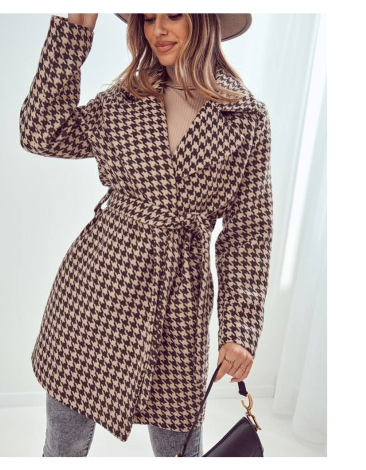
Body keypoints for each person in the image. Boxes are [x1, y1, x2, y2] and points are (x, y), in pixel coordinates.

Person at [19, 13, 273, 457]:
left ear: (203, 21)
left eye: (173, 14)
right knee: (63, 446)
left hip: (179, 301)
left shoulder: (245, 117)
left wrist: (239, 328)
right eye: (149, 17)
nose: (158, 30)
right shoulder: (124, 99)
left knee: (179, 450)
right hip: (96, 288)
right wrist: (73, 36)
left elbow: (248, 231)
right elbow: (41, 133)